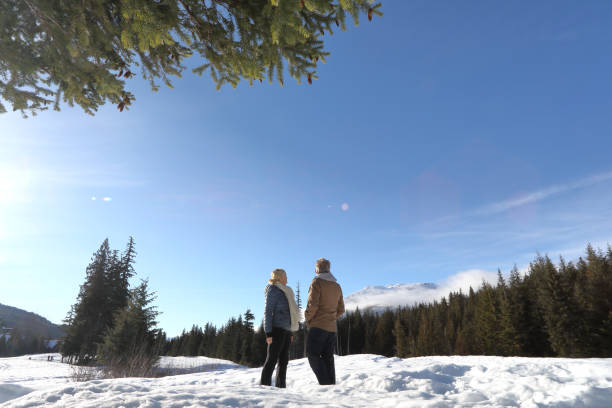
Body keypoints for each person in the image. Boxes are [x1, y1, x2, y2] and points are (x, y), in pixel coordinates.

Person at [304, 258, 345, 385]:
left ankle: (325, 383)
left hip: (318, 326)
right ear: (328, 268)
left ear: (317, 269)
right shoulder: (337, 286)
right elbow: (341, 309)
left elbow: (313, 305)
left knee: (312, 355)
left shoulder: (317, 282)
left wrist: (307, 318)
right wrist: (331, 318)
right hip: (332, 328)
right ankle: (331, 385)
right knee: (328, 357)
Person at [260, 268, 300, 388]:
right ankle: (264, 388)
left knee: (284, 361)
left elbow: (289, 312)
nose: (287, 278)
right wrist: (268, 333)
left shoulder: (286, 291)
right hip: (276, 330)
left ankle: (281, 388)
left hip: (286, 330)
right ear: (279, 277)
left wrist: (291, 332)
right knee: (271, 360)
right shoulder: (273, 289)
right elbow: (268, 311)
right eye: (285, 276)